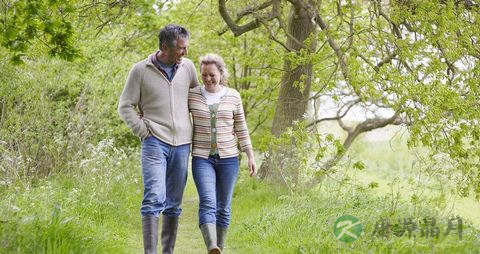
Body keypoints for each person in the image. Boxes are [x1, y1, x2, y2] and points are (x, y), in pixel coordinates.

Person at [118, 24, 199, 254]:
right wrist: (143, 130)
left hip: (182, 144)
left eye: (186, 47)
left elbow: (196, 99)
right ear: (165, 46)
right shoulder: (140, 71)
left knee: (173, 204)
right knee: (154, 197)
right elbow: (125, 106)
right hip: (154, 142)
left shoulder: (189, 68)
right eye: (181, 48)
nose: (185, 53)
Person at [188, 53, 257, 254]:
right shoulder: (192, 95)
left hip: (229, 159)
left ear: (221, 73)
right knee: (208, 202)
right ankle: (212, 246)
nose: (208, 79)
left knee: (224, 207)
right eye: (204, 75)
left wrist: (250, 156)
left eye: (212, 74)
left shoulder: (234, 96)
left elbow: (242, 128)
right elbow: (174, 112)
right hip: (202, 158)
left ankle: (220, 248)